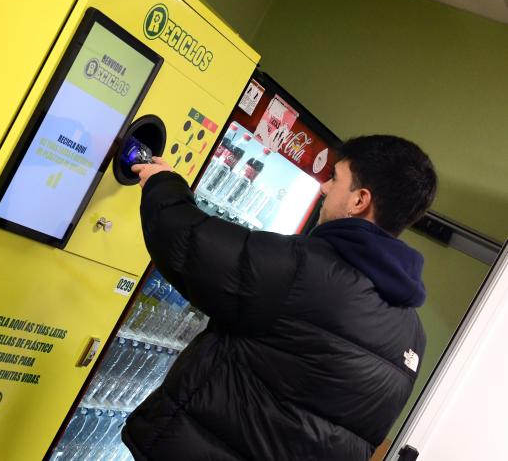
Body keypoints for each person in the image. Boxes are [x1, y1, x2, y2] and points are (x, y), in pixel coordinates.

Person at [122, 135, 437, 460]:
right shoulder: (413, 336)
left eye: (334, 178)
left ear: (359, 201)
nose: (324, 188)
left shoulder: (308, 270)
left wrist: (163, 183)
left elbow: (187, 243)